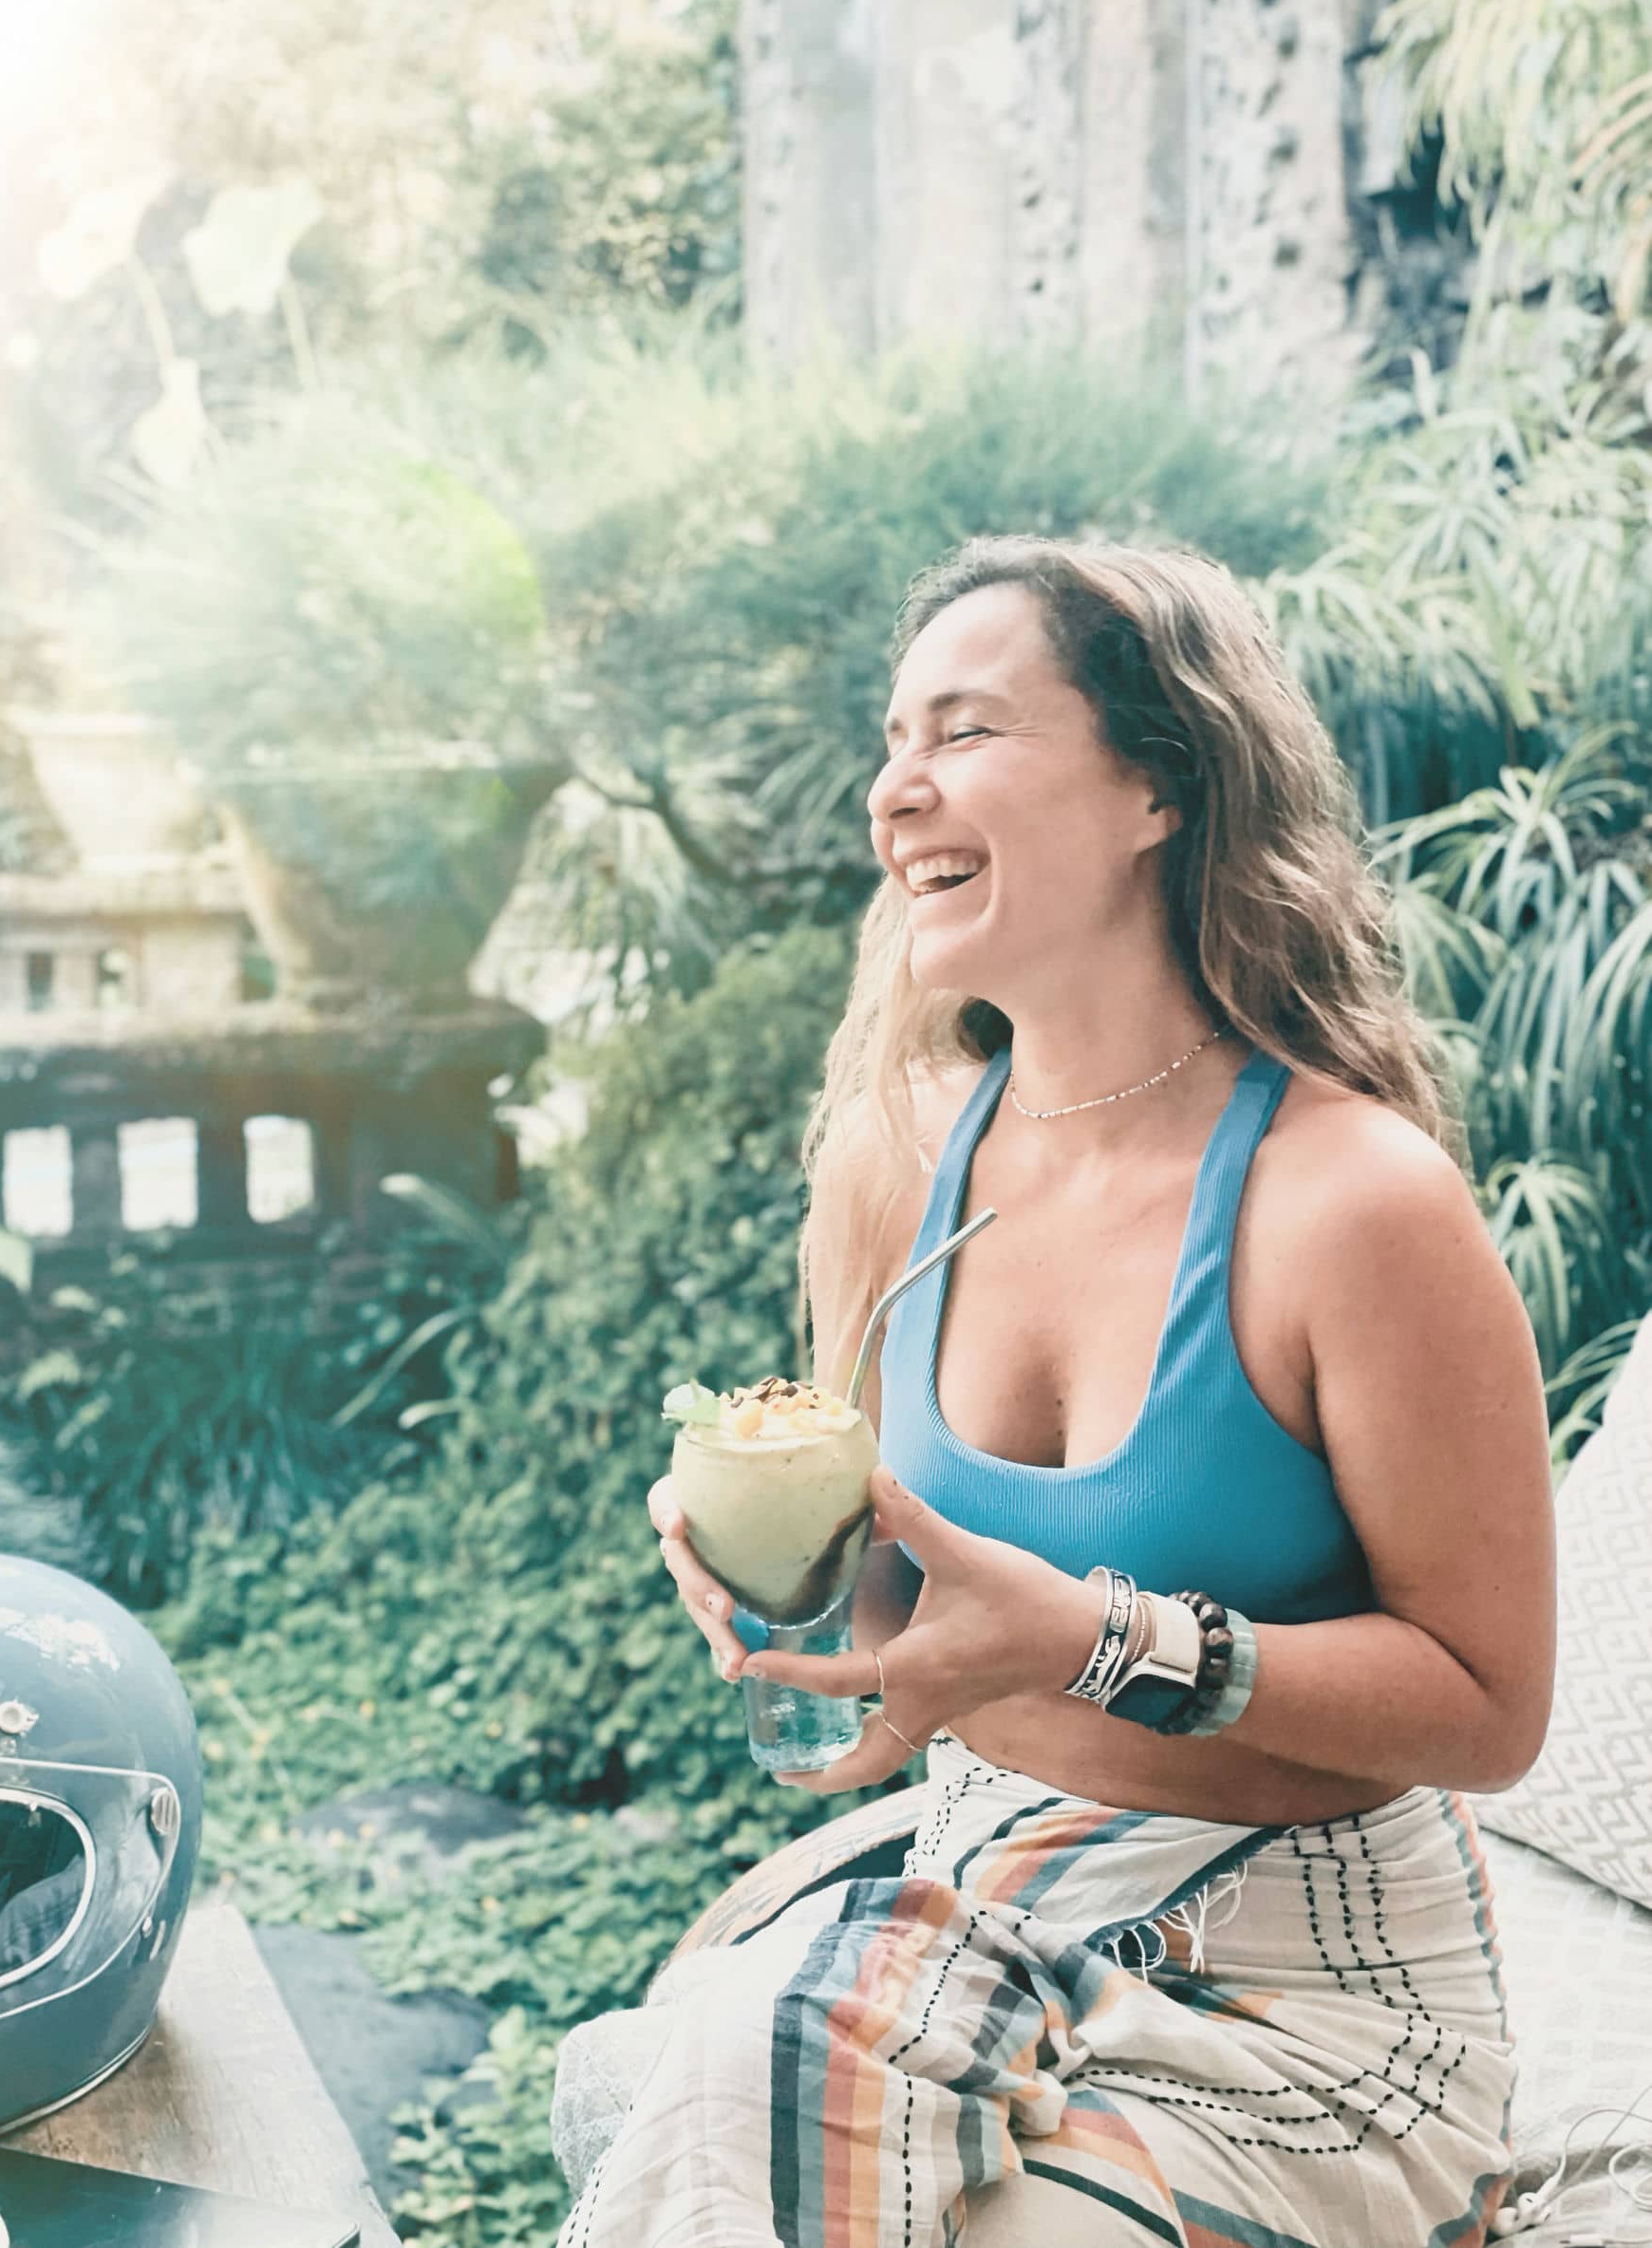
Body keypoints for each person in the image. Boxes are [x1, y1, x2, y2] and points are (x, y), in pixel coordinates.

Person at [559, 536, 1556, 2247]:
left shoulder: (1353, 1202)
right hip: (980, 1908)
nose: (895, 791)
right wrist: (774, 1565)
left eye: (963, 731)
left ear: (1158, 786)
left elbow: (1487, 1710)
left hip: (1302, 1988)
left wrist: (1099, 1637)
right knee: (741, 2071)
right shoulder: (894, 1165)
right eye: (893, 742)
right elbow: (895, 1645)